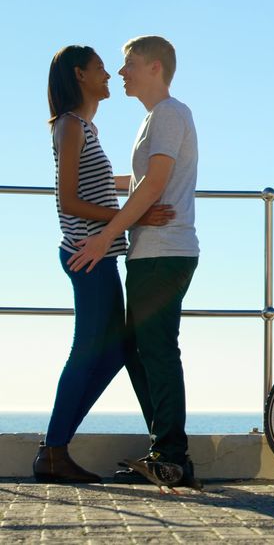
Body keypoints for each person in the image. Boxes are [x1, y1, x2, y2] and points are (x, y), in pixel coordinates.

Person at [35, 45, 173, 483]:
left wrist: (150, 185)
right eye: (100, 68)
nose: (110, 74)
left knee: (115, 350)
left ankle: (55, 447)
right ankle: (53, 451)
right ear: (79, 75)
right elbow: (69, 199)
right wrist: (131, 214)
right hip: (85, 253)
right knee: (87, 350)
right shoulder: (70, 127)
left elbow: (99, 184)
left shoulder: (85, 127)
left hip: (100, 253)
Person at [67, 35, 200, 489]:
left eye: (129, 65)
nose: (121, 73)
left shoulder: (168, 114)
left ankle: (172, 458)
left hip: (165, 251)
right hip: (152, 252)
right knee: (136, 348)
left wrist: (105, 235)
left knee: (157, 350)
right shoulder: (155, 119)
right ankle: (166, 451)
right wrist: (94, 181)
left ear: (155, 68)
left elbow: (153, 186)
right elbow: (142, 179)